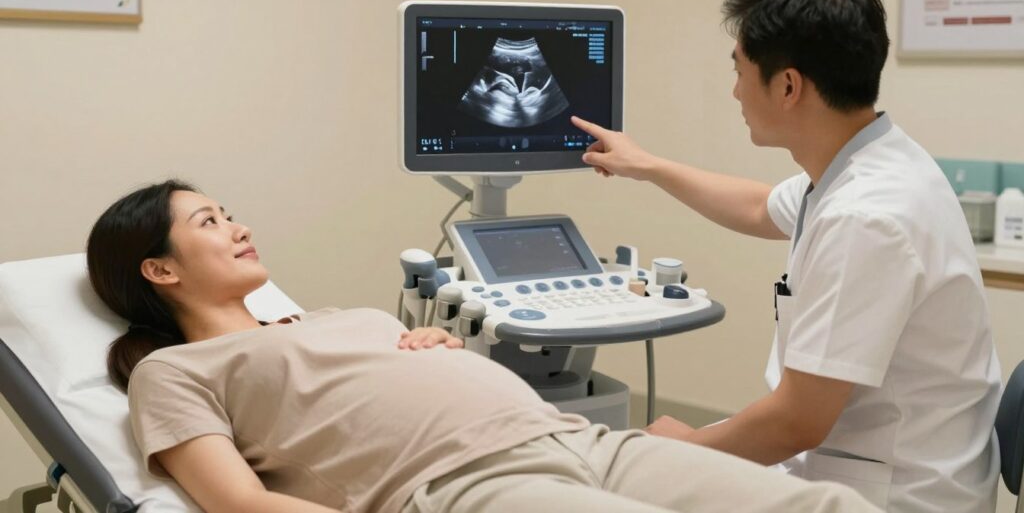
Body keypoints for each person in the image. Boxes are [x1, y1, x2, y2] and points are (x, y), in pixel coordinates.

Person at [87, 179, 879, 513]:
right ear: (159, 268)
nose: (239, 227)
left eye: (229, 213)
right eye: (211, 222)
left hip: (583, 441)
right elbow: (242, 503)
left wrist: (436, 348)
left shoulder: (329, 316)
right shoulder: (172, 371)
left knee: (828, 505)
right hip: (465, 482)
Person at [570, 0, 1001, 512]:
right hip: (874, 458)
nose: (734, 91)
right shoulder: (874, 159)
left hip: (894, 496)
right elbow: (759, 207)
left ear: (789, 86)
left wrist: (681, 453)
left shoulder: (866, 217)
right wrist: (647, 165)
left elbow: (797, 421)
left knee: (620, 481)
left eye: (740, 71)